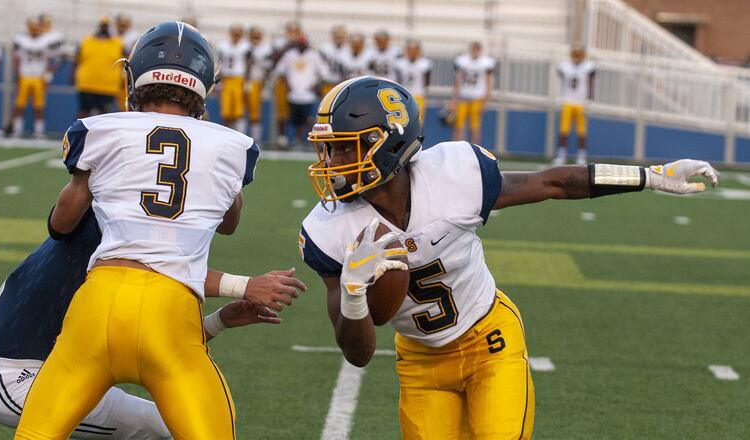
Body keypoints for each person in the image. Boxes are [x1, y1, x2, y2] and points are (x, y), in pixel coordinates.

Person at [298, 76, 719, 439]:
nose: (332, 163)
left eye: (344, 148)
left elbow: (556, 183)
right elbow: (359, 354)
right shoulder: (330, 228)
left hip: (490, 341)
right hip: (421, 362)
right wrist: (354, 293)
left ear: (389, 145)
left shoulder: (453, 176)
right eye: (329, 149)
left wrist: (649, 176)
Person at [13, 21, 292, 439]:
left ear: (135, 76)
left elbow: (61, 224)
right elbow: (230, 223)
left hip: (96, 306)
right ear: (203, 88)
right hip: (170, 314)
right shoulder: (232, 145)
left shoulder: (101, 130)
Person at [0, 209, 301, 439]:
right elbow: (162, 272)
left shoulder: (95, 239)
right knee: (168, 427)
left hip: (46, 366)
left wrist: (220, 321)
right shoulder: (111, 242)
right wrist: (243, 285)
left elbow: (146, 336)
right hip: (15, 378)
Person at [273, 35, 330, 149]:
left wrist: (316, 85)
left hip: (308, 94)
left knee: (309, 119)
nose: (302, 46)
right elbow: (280, 71)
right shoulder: (290, 55)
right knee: (296, 120)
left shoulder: (313, 55)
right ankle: (297, 140)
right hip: (294, 94)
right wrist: (288, 84)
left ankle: (311, 141)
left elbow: (324, 72)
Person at [73, 16, 124, 118]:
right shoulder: (86, 41)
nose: (104, 28)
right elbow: (76, 60)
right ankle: (79, 133)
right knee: (84, 113)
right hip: (87, 84)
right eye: (102, 25)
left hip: (108, 86)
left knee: (103, 115)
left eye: (106, 25)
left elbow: (125, 62)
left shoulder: (118, 43)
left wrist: (122, 79)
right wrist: (73, 75)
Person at [11, 18, 53, 138]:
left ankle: (39, 131)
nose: (34, 30)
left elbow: (49, 60)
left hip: (39, 77)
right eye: (32, 28)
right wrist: (17, 75)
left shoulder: (46, 40)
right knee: (19, 105)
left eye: (36, 27)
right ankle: (17, 130)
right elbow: (17, 59)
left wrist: (47, 76)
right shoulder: (22, 40)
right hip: (25, 76)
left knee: (39, 106)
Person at [555, 46, 596, 166]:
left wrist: (590, 100)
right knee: (564, 130)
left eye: (579, 54)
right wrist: (560, 96)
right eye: (575, 54)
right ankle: (561, 156)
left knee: (581, 131)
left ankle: (581, 156)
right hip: (567, 101)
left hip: (581, 103)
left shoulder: (588, 66)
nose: (577, 57)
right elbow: (561, 81)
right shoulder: (565, 65)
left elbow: (591, 83)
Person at [451, 41, 496, 145]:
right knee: (458, 125)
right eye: (474, 49)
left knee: (475, 127)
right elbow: (457, 80)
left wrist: (485, 101)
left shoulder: (486, 62)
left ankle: (474, 150)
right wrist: (454, 99)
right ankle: (456, 149)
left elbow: (489, 82)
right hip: (463, 96)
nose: (475, 52)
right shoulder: (462, 61)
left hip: (477, 97)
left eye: (477, 50)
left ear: (480, 51)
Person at [271, 21, 303, 149]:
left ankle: (297, 139)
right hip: (283, 80)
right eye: (291, 30)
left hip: (298, 81)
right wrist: (288, 45)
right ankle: (282, 138)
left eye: (296, 31)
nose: (293, 34)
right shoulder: (281, 42)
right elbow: (274, 58)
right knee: (282, 110)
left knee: (298, 110)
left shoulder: (302, 43)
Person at [217, 24, 250, 133]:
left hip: (238, 79)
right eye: (234, 33)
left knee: (238, 110)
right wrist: (219, 79)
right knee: (226, 110)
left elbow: (249, 64)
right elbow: (220, 63)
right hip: (226, 79)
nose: (236, 35)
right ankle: (226, 134)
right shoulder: (223, 46)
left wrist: (247, 82)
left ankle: (240, 134)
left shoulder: (246, 46)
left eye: (238, 33)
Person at [394, 39, 432, 125]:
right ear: (406, 50)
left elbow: (427, 81)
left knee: (417, 121)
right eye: (410, 49)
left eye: (415, 49)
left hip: (418, 94)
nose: (413, 52)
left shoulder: (425, 63)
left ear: (418, 50)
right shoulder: (400, 62)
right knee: (401, 121)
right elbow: (397, 80)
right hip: (402, 95)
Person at [245, 25, 272, 143]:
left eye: (257, 35)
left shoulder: (265, 49)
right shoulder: (245, 47)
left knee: (255, 111)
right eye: (254, 35)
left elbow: (267, 67)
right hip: (244, 80)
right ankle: (240, 134)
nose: (255, 37)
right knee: (240, 111)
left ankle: (255, 137)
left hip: (257, 81)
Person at [319, 25, 349, 96]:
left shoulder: (348, 49)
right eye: (337, 36)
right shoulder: (325, 48)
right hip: (327, 83)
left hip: (343, 85)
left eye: (341, 36)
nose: (339, 39)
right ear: (333, 36)